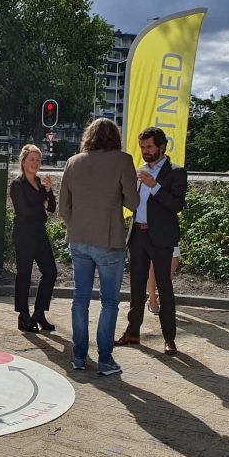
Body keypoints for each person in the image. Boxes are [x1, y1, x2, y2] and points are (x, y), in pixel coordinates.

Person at [58, 118, 139, 375]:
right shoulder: (123, 160)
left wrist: (78, 225)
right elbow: (133, 202)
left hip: (79, 239)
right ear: (115, 137)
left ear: (88, 136)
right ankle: (105, 360)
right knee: (109, 301)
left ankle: (79, 357)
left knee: (80, 299)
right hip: (109, 240)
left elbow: (62, 208)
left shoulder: (73, 162)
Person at [115, 127, 188, 356]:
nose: (145, 151)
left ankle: (169, 339)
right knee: (136, 287)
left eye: (149, 147)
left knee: (164, 287)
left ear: (162, 147)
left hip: (162, 237)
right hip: (138, 235)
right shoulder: (139, 171)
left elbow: (176, 205)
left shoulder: (176, 172)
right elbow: (134, 204)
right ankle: (132, 332)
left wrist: (153, 186)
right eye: (142, 147)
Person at [10, 144, 57, 333]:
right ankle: (23, 315)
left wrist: (49, 190)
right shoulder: (17, 184)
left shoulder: (40, 182)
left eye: (38, 160)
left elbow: (52, 208)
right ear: (23, 161)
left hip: (39, 231)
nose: (35, 163)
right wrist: (42, 200)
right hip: (24, 232)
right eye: (31, 159)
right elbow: (25, 211)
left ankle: (39, 312)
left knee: (51, 272)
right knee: (24, 274)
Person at [146, 247, 180, 315]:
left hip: (170, 237)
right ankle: (152, 300)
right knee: (152, 264)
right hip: (151, 238)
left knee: (174, 261)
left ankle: (162, 297)